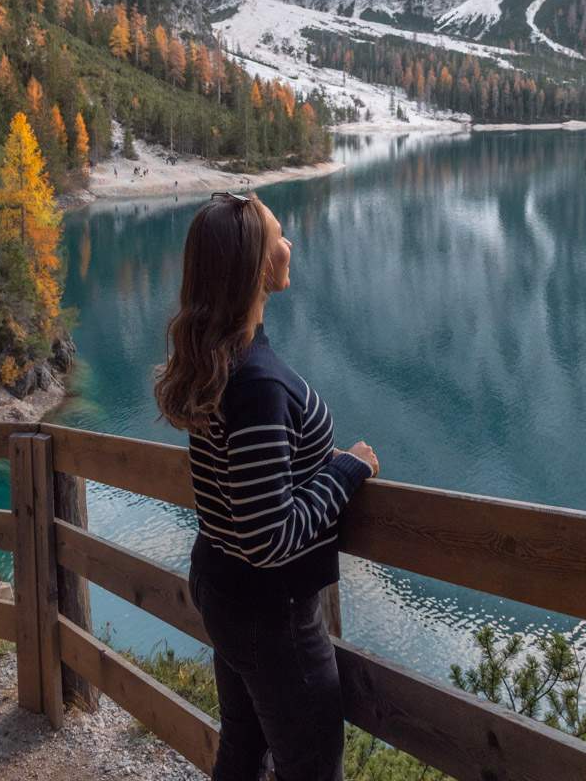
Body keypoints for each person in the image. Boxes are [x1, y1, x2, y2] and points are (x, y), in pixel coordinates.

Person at [155, 192, 378, 780]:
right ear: (256, 267)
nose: (289, 244)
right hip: (270, 613)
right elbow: (267, 536)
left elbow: (251, 481)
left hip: (226, 588)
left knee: (244, 749)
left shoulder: (222, 360)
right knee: (311, 768)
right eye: (279, 236)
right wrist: (346, 471)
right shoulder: (256, 383)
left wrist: (314, 463)